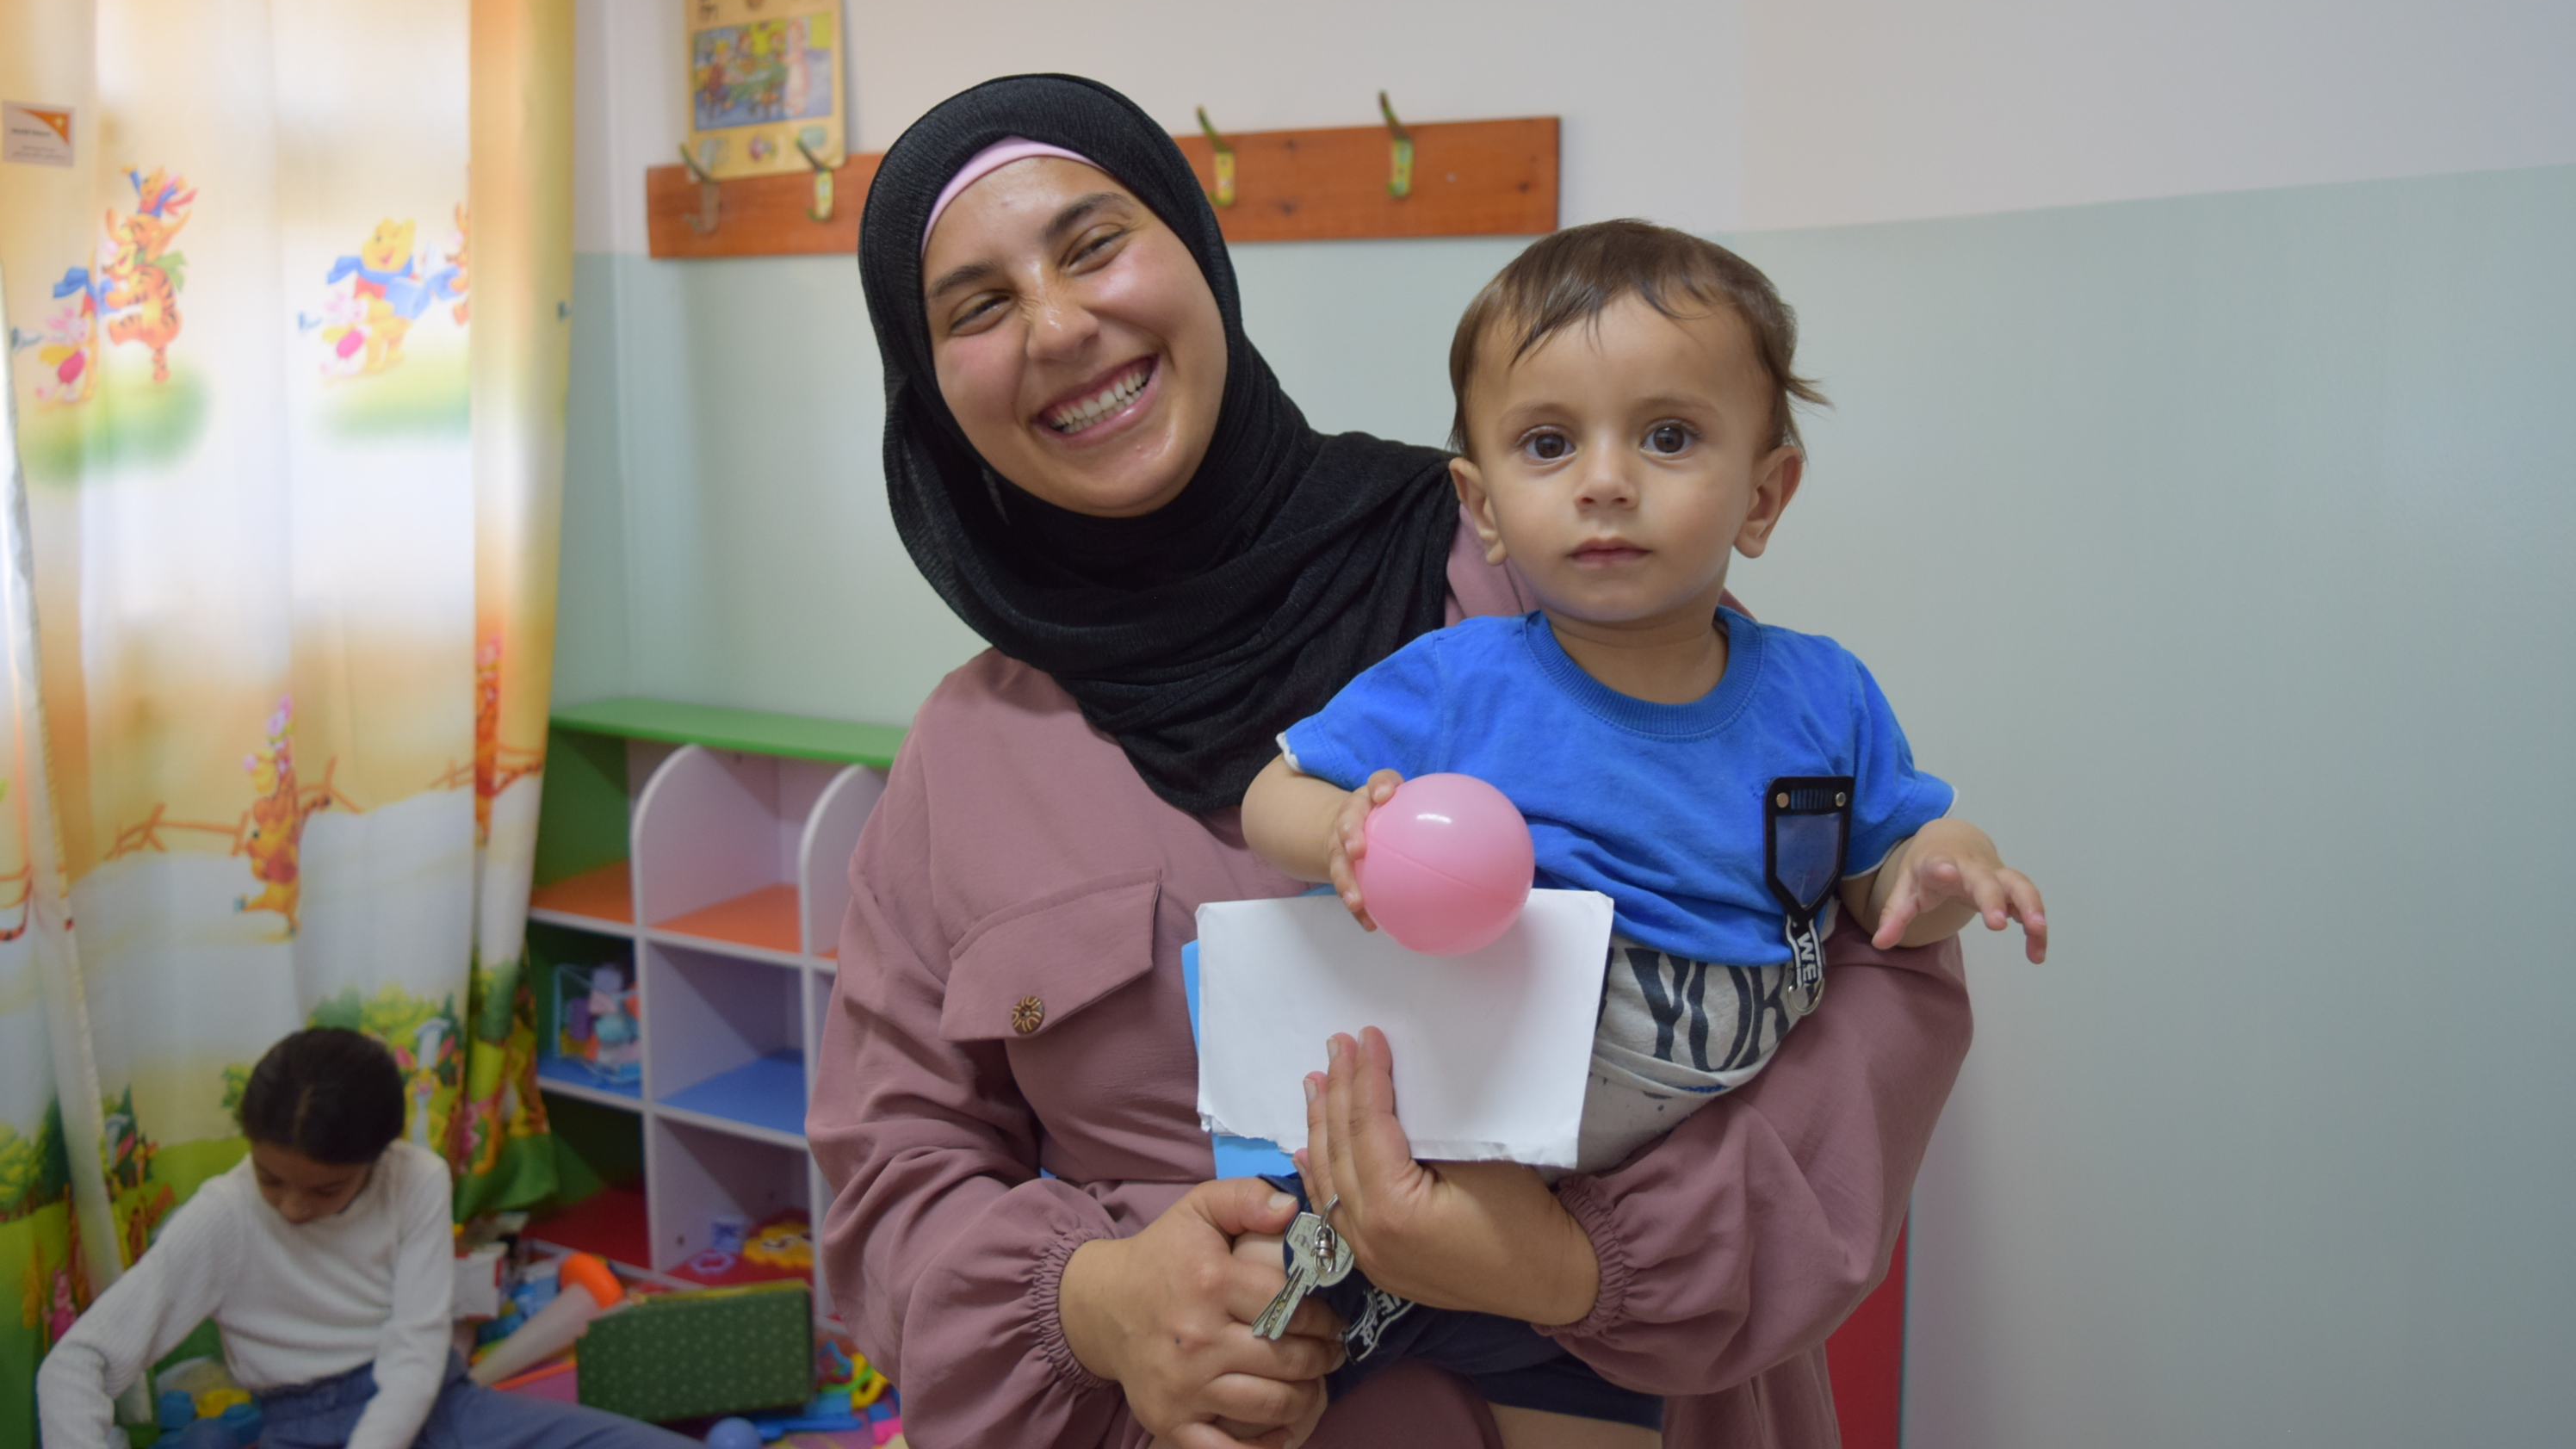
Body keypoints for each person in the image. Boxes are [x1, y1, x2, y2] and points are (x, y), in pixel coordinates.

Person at [808, 72, 1975, 1449]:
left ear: (1198, 254)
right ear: (933, 387)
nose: (1061, 326)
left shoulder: (1535, 558)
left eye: (1093, 244)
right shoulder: (966, 755)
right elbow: (892, 1176)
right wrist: (1098, 1302)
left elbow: (1873, 970)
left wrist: (1580, 1265)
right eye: (978, 306)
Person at [1241, 221, 2050, 1442]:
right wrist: (1340, 833)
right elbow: (1269, 798)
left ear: (1765, 493)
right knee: (1260, 1394)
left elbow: (1890, 880)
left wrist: (1950, 869)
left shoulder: (1821, 698)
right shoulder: (1457, 682)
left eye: (1668, 437)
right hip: (1435, 1147)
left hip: (1626, 1219)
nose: (1606, 479)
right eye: (1549, 443)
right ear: (1486, 506)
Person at [38, 1027, 695, 1449]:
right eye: (272, 1179)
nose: (293, 1207)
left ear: (378, 1156)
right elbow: (76, 1364)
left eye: (326, 1190)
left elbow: (414, 1356)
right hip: (302, 1427)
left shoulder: (417, 1178)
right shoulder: (226, 1215)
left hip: (436, 1403)